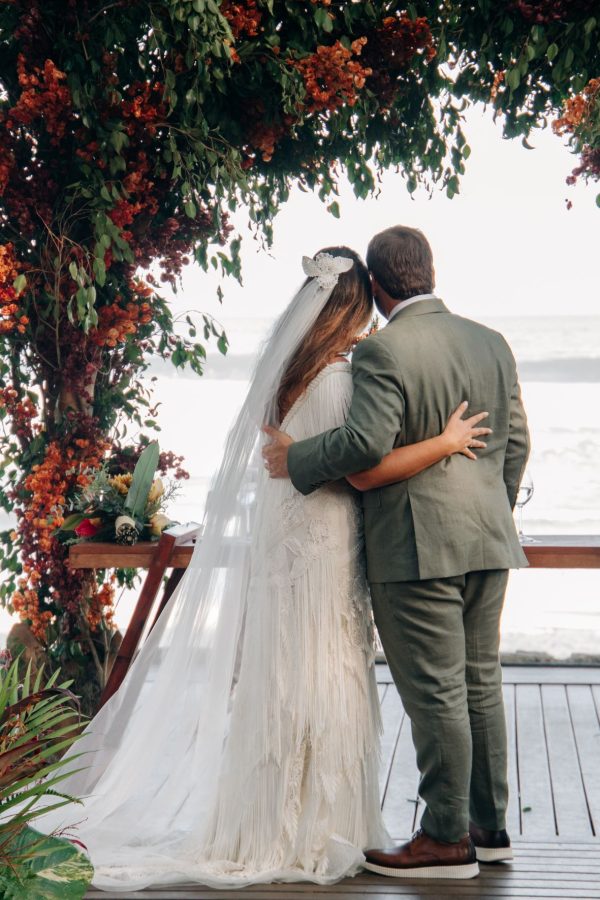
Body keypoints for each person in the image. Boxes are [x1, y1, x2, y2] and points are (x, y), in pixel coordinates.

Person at [31, 246, 490, 891]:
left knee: (285, 669)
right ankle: (314, 827)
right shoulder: (339, 378)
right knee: (323, 667)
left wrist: (308, 453)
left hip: (285, 542)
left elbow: (303, 457)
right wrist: (442, 443)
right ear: (355, 306)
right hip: (325, 540)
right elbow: (359, 465)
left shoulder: (289, 375)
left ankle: (267, 818)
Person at [263, 226, 530, 880]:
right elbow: (516, 443)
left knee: (437, 691)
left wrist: (294, 457)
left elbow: (363, 444)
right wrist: (493, 506)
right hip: (489, 538)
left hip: (417, 545)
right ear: (429, 271)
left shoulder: (382, 351)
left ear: (378, 286)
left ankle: (442, 838)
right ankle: (487, 828)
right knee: (479, 682)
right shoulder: (490, 342)